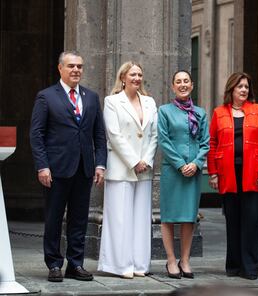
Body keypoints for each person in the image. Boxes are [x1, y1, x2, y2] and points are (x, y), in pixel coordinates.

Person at [30, 51, 107, 282]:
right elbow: (36, 134)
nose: (76, 70)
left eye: (80, 66)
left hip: (84, 169)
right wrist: (42, 166)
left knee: (79, 219)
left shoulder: (91, 97)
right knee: (54, 218)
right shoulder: (46, 97)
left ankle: (76, 264)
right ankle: (54, 264)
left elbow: (99, 135)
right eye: (71, 66)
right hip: (56, 169)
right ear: (60, 69)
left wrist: (100, 164)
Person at [207, 72, 258, 280]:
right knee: (233, 220)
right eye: (239, 87)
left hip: (254, 174)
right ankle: (234, 266)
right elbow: (212, 143)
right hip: (228, 174)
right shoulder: (219, 113)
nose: (243, 90)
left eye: (246, 86)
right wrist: (213, 172)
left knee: (252, 221)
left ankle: (250, 268)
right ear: (231, 90)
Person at [97, 62, 158, 279]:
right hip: (122, 168)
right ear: (123, 77)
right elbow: (114, 135)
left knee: (142, 219)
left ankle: (140, 265)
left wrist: (146, 161)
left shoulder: (150, 102)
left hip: (144, 170)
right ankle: (120, 265)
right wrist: (134, 161)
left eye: (140, 74)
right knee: (119, 218)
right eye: (133, 74)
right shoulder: (112, 102)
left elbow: (153, 135)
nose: (137, 78)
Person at [157, 70, 210, 279]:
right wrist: (181, 164)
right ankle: (171, 260)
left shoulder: (201, 113)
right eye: (178, 82)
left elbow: (205, 142)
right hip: (173, 171)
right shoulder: (164, 111)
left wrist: (196, 164)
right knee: (168, 217)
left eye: (186, 81)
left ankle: (185, 260)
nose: (182, 84)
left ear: (192, 85)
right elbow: (164, 140)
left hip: (194, 172)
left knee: (189, 217)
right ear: (172, 86)